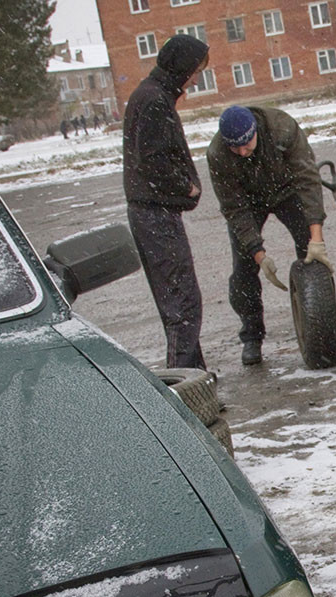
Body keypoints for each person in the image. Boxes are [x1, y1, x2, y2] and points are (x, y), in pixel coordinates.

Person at [207, 105, 336, 366]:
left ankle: (329, 332)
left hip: (288, 190)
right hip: (248, 202)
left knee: (313, 259)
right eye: (235, 148)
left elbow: (308, 180)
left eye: (246, 144)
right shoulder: (218, 154)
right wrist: (259, 255)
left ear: (255, 132)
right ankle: (252, 336)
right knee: (243, 270)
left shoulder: (282, 128)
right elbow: (234, 209)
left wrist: (315, 238)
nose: (241, 152)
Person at [122, 34, 210, 370]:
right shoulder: (155, 100)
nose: (196, 78)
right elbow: (153, 159)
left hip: (151, 213)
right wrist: (185, 186)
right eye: (195, 70)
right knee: (183, 303)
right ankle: (184, 385)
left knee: (179, 302)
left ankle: (194, 375)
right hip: (155, 214)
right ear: (182, 67)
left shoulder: (149, 95)